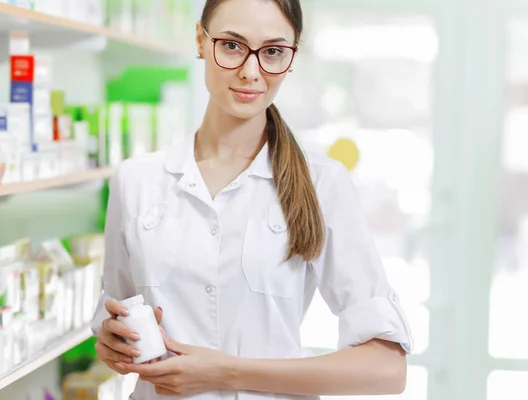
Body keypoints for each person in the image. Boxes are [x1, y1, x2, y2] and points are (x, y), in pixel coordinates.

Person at [91, 0, 413, 398]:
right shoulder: (136, 180)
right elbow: (120, 318)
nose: (250, 71)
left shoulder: (322, 184)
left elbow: (386, 370)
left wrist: (225, 373)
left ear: (292, 57)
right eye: (231, 45)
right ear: (200, 40)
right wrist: (112, 341)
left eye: (273, 52)